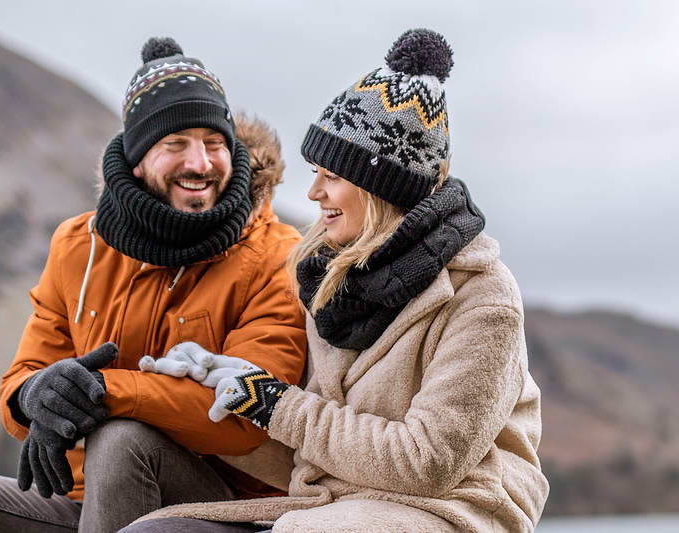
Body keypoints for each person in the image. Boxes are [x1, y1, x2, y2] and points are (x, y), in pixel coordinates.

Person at [123, 29, 549, 533]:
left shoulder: (482, 297)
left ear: (380, 187)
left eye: (332, 175)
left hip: (454, 510)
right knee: (157, 532)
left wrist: (270, 400)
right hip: (329, 503)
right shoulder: (330, 276)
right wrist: (221, 386)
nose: (313, 191)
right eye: (314, 170)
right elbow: (316, 450)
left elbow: (426, 462)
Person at [0, 37, 307, 532]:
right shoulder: (78, 244)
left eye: (215, 144)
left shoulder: (279, 255)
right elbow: (23, 378)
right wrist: (37, 393)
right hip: (85, 502)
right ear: (138, 157)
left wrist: (104, 391)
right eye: (176, 144)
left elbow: (243, 418)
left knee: (120, 437)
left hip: (221, 508)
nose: (201, 163)